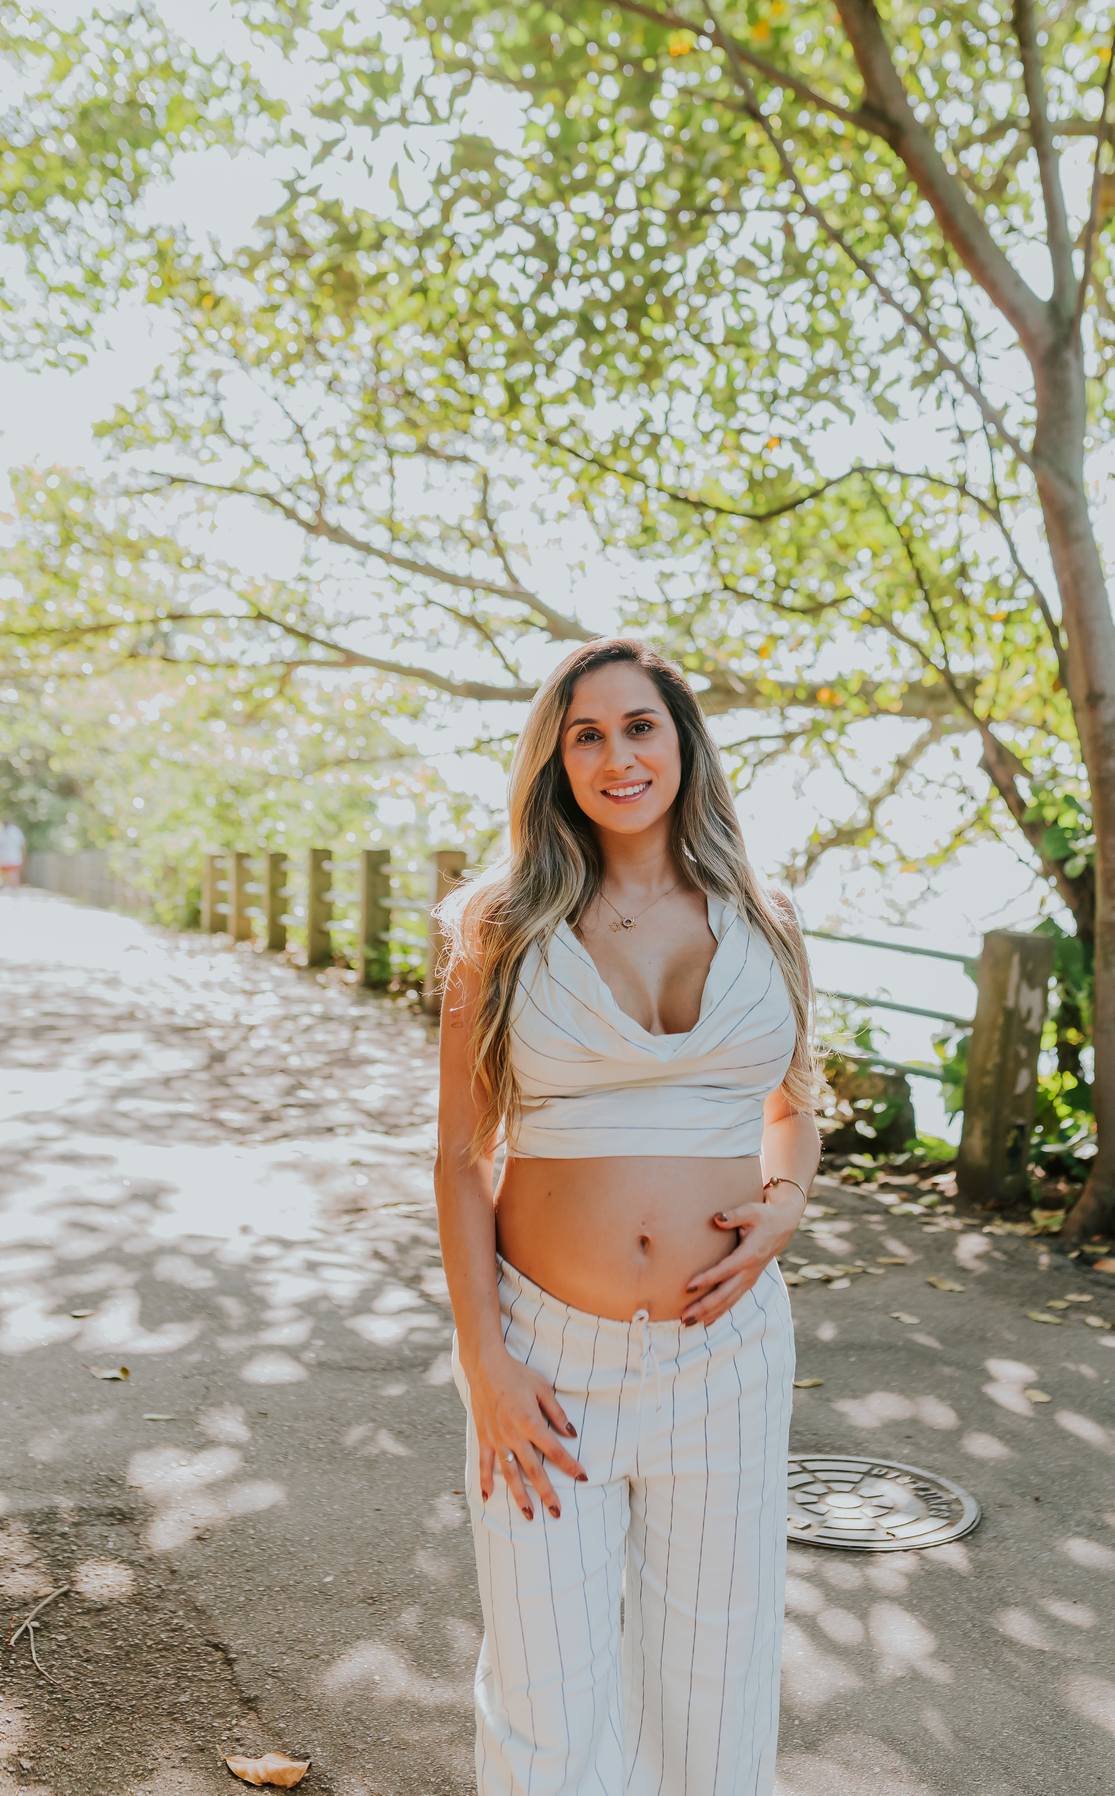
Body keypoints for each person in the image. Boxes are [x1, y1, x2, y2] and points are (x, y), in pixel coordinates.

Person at [435, 637, 822, 1796]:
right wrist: (485, 1361)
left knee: (715, 1692)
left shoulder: (768, 914)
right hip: (545, 1364)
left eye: (639, 726)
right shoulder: (499, 924)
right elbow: (460, 1158)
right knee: (545, 1707)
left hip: (730, 1359)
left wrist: (787, 1203)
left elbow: (793, 1108)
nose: (617, 755)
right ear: (556, 758)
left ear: (684, 742)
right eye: (587, 733)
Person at [0, 818, 25, 889]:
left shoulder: (3, 830)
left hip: (5, 855)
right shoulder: (15, 830)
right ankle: (14, 886)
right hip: (13, 855)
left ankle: (7, 885)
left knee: (7, 871)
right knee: (13, 871)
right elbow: (21, 843)